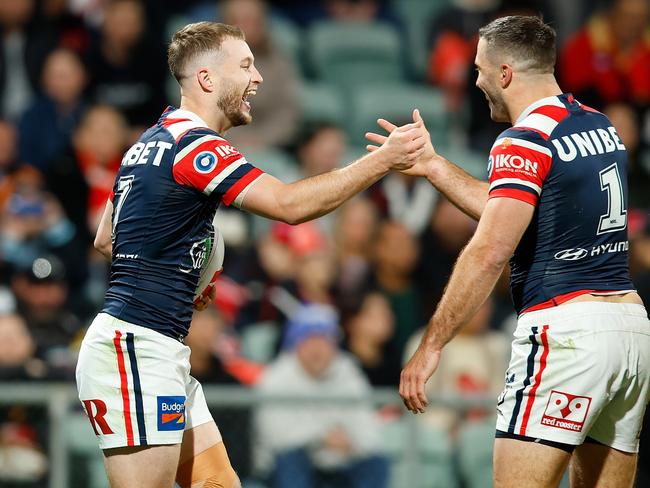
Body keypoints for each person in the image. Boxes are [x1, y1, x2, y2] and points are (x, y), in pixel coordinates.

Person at [75, 21, 425, 488]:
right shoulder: (195, 145)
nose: (258, 77)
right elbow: (289, 205)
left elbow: (106, 239)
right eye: (245, 65)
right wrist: (382, 160)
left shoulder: (147, 142)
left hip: (154, 347)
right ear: (206, 79)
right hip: (137, 349)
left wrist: (179, 270)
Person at [367, 15, 650, 488]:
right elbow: (512, 209)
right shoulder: (598, 126)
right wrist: (435, 166)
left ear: (504, 74)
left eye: (479, 69)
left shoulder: (526, 138)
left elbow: (490, 249)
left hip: (566, 334)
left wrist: (432, 344)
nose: (475, 80)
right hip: (629, 334)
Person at [253, 303, 389, 488]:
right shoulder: (276, 377)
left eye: (324, 339)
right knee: (292, 459)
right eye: (309, 339)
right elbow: (278, 438)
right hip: (288, 469)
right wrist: (321, 438)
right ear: (295, 343)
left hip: (338, 464)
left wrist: (352, 443)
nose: (317, 348)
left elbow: (368, 430)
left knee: (376, 462)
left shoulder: (348, 371)